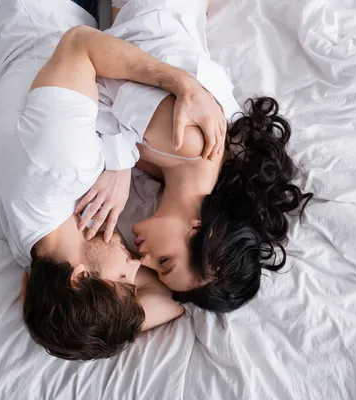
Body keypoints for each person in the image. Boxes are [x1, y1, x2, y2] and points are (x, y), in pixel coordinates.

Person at [0, 0, 225, 360]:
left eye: (124, 279)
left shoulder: (61, 166)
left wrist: (181, 85)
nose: (137, 266)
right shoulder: (33, 253)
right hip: (7, 29)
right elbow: (169, 302)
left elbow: (80, 44)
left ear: (78, 277)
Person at [77, 0, 313, 313]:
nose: (142, 261)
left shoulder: (193, 173)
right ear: (198, 229)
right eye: (165, 262)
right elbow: (86, 64)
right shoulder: (184, 141)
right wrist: (118, 161)